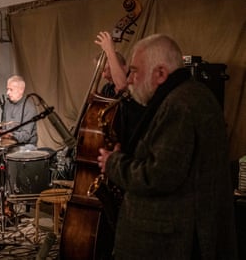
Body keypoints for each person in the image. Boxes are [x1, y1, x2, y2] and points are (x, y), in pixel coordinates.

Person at [97, 34, 237, 259]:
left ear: (160, 73)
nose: (130, 79)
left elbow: (157, 176)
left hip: (168, 242)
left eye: (134, 70)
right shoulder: (191, 95)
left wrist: (113, 164)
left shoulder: (179, 105)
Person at [0, 75, 38, 194]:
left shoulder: (29, 107)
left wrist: (9, 135)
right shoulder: (7, 105)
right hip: (9, 144)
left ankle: (10, 194)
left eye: (11, 89)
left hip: (26, 145)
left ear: (21, 90)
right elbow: (3, 125)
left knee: (9, 156)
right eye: (7, 89)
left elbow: (26, 136)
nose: (7, 92)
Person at [95, 31, 128, 98]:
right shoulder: (106, 89)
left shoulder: (135, 86)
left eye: (105, 70)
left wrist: (109, 50)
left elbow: (122, 86)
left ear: (124, 67)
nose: (104, 76)